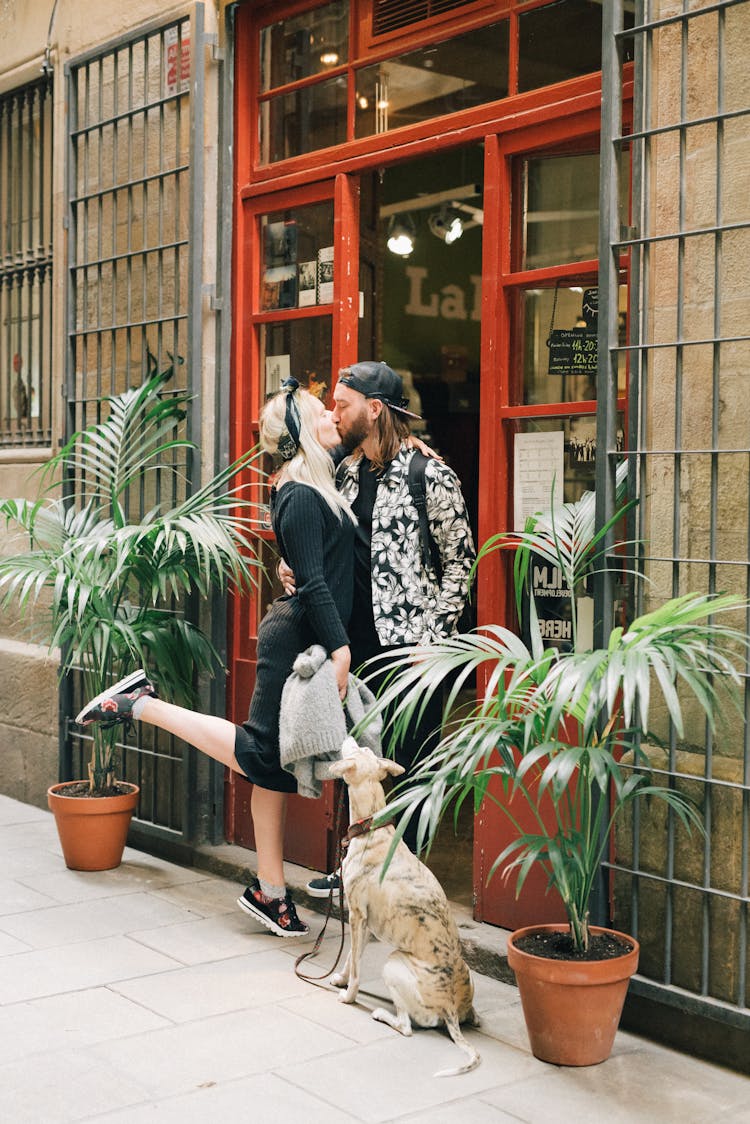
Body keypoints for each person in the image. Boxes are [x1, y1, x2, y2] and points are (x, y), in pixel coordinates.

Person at [75, 378, 356, 938]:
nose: (333, 418)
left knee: (271, 767)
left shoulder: (317, 486)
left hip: (307, 635)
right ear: (302, 434)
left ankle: (270, 893)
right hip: (299, 639)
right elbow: (318, 583)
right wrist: (342, 647)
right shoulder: (299, 493)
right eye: (323, 413)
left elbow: (314, 564)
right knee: (259, 753)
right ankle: (141, 705)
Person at [298, 360, 476, 896]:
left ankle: (402, 877)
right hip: (354, 646)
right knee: (355, 761)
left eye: (343, 404)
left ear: (374, 410)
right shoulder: (346, 471)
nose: (334, 411)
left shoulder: (431, 475)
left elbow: (460, 564)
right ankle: (353, 867)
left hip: (411, 653)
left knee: (410, 767)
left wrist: (434, 642)